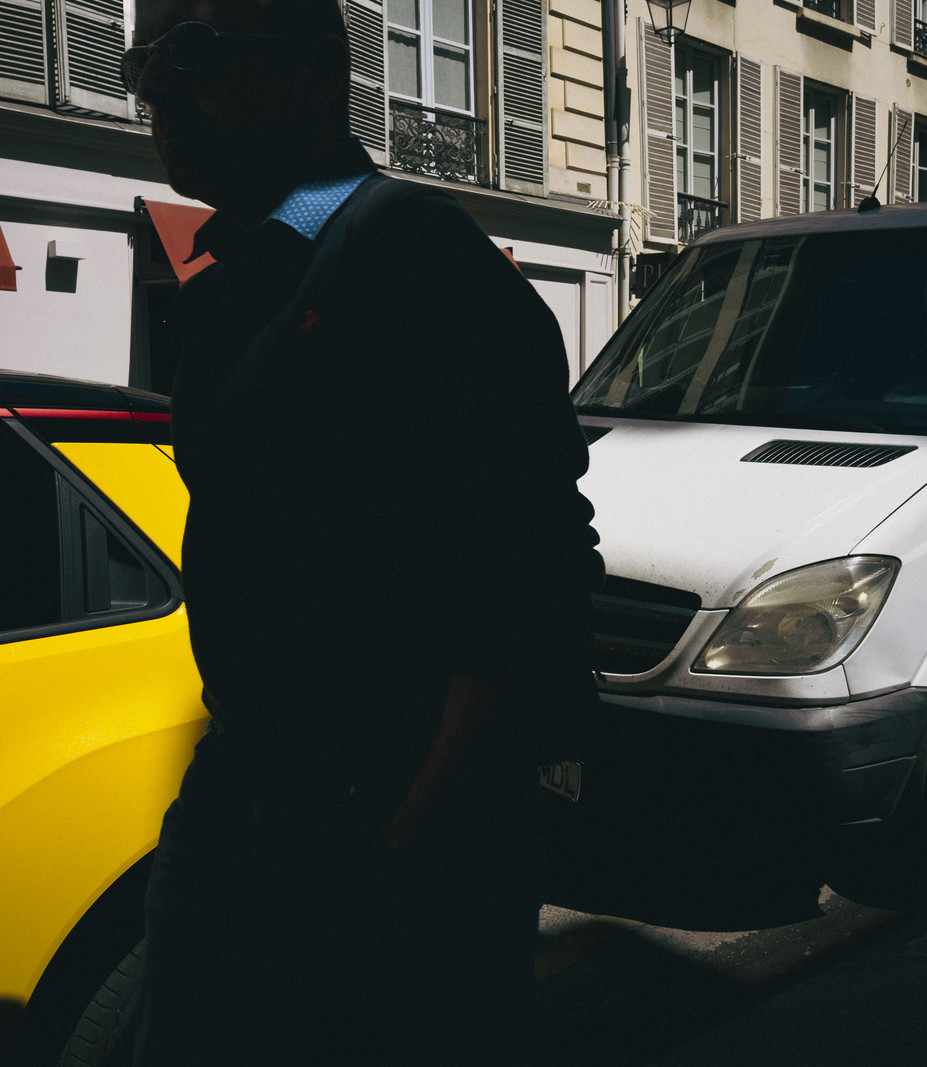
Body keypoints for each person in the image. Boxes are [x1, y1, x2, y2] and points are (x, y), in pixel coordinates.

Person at [124, 0, 603, 1062]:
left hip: (386, 815)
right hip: (255, 786)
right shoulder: (240, 273)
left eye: (192, 57)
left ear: (311, 79)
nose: (152, 87)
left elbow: (528, 550)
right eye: (142, 57)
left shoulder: (414, 255)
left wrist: (423, 807)